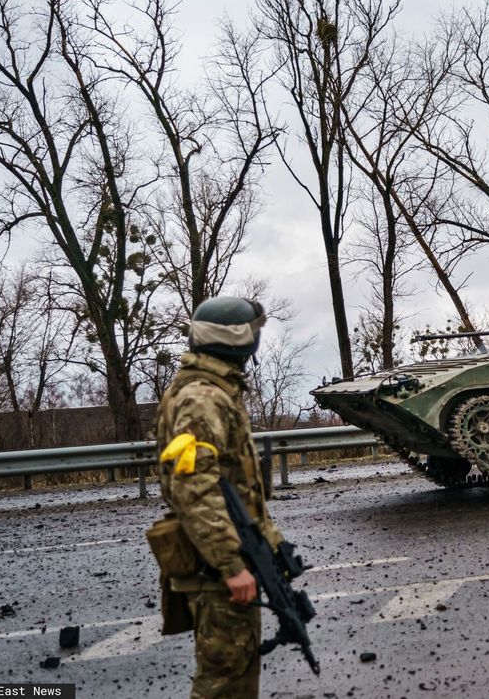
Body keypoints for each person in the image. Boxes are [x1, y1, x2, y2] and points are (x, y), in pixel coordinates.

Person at [155, 296, 285, 698]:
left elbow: (236, 489)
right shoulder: (203, 398)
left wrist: (271, 548)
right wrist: (231, 564)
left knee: (237, 676)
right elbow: (195, 489)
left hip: (227, 554)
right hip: (217, 567)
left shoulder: (213, 390)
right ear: (239, 340)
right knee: (223, 683)